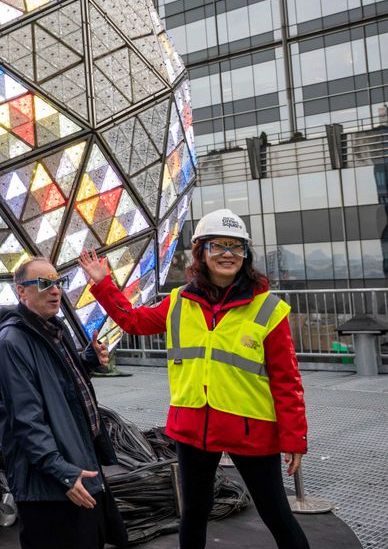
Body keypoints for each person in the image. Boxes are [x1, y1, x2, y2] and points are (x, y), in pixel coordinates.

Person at [78, 208, 310, 549]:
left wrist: (294, 438)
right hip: (193, 426)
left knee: (275, 512)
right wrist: (102, 283)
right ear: (201, 252)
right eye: (218, 246)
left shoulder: (268, 310)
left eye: (236, 247)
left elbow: (287, 380)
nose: (228, 254)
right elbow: (133, 321)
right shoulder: (178, 303)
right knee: (194, 513)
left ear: (246, 255)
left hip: (251, 428)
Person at [0, 256, 127, 549]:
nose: (55, 291)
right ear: (21, 291)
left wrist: (86, 360)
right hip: (51, 483)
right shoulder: (11, 343)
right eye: (44, 283)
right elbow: (26, 420)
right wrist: (62, 472)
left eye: (58, 283)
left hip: (75, 466)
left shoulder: (50, 330)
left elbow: (53, 380)